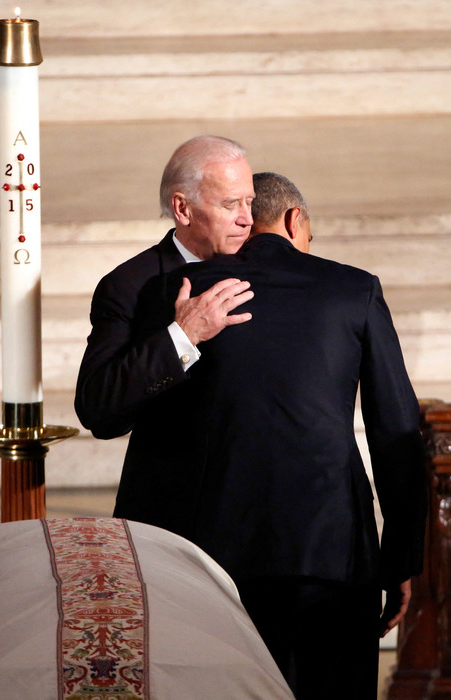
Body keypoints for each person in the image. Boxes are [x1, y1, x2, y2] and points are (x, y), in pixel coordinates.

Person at [112, 172, 427, 699]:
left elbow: (151, 432)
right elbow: (394, 428)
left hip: (208, 553)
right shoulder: (354, 288)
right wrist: (401, 561)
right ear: (294, 219)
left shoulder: (182, 291)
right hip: (329, 550)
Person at [75, 135, 255, 439]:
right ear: (183, 209)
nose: (247, 219)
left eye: (250, 202)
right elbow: (98, 410)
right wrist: (183, 336)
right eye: (230, 205)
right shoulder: (129, 285)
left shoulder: (265, 267)